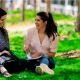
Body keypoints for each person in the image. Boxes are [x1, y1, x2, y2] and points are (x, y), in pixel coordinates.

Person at [0, 8, 12, 77]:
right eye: (2, 20)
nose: (3, 22)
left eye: (4, 20)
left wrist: (5, 51)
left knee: (23, 63)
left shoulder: (4, 31)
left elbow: (7, 48)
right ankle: (2, 69)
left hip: (4, 57)